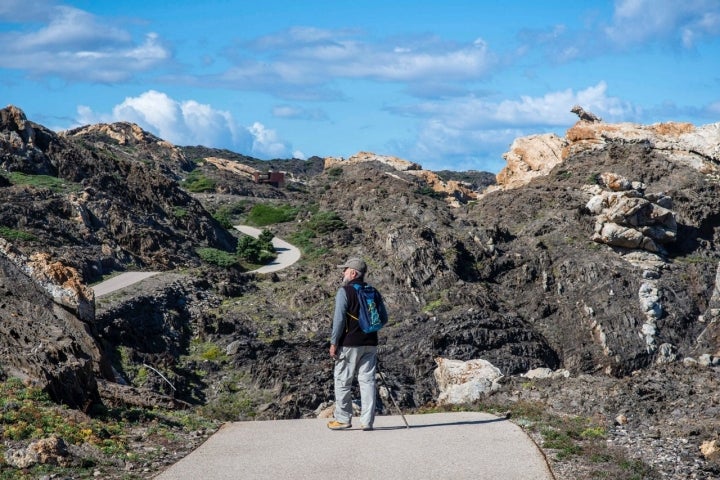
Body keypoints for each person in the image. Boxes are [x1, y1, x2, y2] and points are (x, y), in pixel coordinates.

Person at [327, 256, 384, 431]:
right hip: (371, 342)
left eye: (344, 270)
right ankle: (367, 422)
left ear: (352, 273)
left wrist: (334, 342)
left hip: (349, 343)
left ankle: (343, 418)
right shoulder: (373, 291)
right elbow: (384, 317)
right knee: (367, 382)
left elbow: (338, 320)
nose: (342, 273)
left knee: (343, 380)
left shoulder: (345, 292)